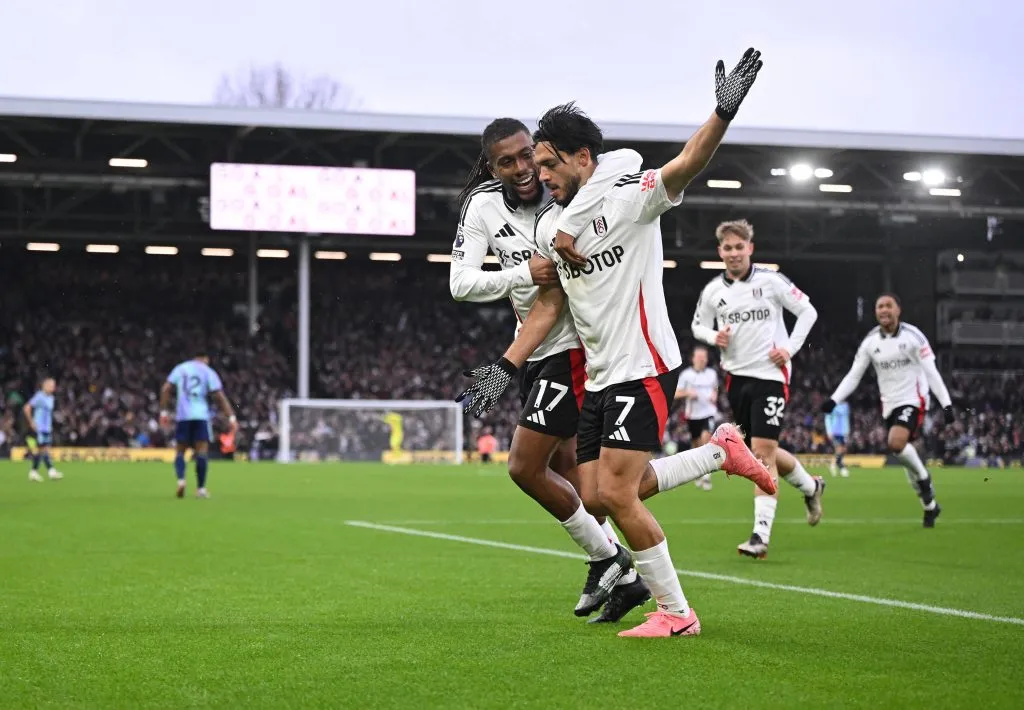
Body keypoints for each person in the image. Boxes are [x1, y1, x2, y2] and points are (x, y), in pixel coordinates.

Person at [458, 48, 775, 638]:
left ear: (582, 158)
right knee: (597, 496)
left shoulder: (633, 195)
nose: (539, 175)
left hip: (645, 363)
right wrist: (507, 365)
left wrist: (722, 114)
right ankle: (717, 453)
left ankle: (677, 613)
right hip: (599, 374)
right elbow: (550, 303)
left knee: (620, 498)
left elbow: (684, 162)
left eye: (549, 163)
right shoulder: (554, 228)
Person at [451, 117, 650, 620]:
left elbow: (626, 160)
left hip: (575, 351)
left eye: (527, 156)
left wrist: (503, 364)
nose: (522, 170)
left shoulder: (565, 196)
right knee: (582, 485)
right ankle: (625, 576)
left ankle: (609, 558)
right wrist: (520, 272)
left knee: (523, 467)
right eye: (507, 162)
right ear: (491, 167)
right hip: (535, 355)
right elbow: (460, 283)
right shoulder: (483, 207)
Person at [691, 218, 825, 560]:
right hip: (736, 377)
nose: (734, 253)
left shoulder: (771, 281)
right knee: (760, 450)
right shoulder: (712, 292)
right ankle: (811, 486)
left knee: (762, 450)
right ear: (719, 251)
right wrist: (712, 336)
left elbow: (808, 311)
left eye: (740, 247)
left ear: (750, 248)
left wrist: (790, 349)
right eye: (728, 248)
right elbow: (697, 326)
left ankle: (759, 536)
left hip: (770, 375)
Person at [823, 293, 954, 527]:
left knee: (896, 443)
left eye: (888, 306)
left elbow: (931, 372)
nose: (884, 310)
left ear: (898, 310)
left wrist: (946, 403)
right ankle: (930, 505)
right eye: (879, 307)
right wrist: (834, 400)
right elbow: (855, 374)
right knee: (903, 455)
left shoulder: (914, 337)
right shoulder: (871, 342)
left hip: (914, 399)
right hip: (889, 404)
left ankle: (925, 479)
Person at [160, 353, 237, 499]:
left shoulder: (180, 369)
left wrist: (164, 412)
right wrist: (231, 417)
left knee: (180, 451)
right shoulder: (208, 372)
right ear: (205, 358)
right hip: (201, 416)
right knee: (202, 452)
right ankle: (200, 489)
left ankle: (181, 481)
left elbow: (165, 389)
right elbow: (219, 396)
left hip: (183, 416)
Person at [675, 346, 719, 490]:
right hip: (693, 415)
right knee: (696, 445)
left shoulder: (712, 373)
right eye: (699, 357)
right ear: (693, 358)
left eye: (704, 357)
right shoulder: (686, 375)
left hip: (708, 412)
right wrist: (688, 393)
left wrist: (714, 395)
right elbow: (676, 393)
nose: (702, 360)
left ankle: (706, 475)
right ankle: (699, 473)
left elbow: (715, 388)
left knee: (706, 438)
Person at [23, 377, 63, 482]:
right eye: (51, 385)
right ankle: (46, 471)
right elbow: (27, 408)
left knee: (44, 451)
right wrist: (31, 422)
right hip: (39, 428)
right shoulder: (39, 396)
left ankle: (39, 472)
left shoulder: (51, 398)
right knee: (43, 450)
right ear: (45, 386)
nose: (53, 388)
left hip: (47, 428)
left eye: (54, 386)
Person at [825, 400, 851, 477]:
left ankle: (833, 465)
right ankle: (841, 468)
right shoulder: (832, 405)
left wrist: (847, 430)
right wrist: (829, 431)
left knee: (843, 450)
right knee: (839, 449)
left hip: (843, 431)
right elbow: (827, 418)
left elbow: (846, 418)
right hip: (835, 431)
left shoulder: (846, 405)